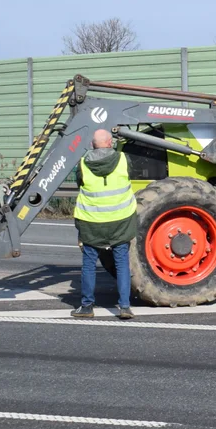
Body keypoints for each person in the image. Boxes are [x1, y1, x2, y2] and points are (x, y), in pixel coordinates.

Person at [72, 129, 137, 319]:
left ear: (93, 144)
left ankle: (87, 306)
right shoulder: (124, 160)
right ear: (110, 143)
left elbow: (80, 183)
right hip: (120, 222)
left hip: (92, 223)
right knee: (122, 263)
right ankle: (124, 306)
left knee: (89, 265)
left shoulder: (83, 163)